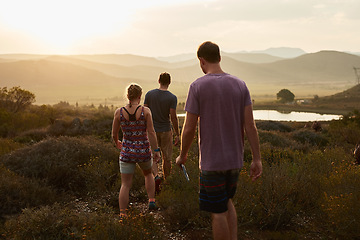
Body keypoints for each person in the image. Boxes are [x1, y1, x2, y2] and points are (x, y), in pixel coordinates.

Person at [176, 41, 262, 240]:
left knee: (218, 212)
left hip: (212, 162)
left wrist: (182, 155)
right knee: (227, 202)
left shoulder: (197, 86)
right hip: (234, 161)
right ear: (220, 58)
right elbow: (251, 126)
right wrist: (256, 159)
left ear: (201, 61)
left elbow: (188, 128)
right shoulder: (240, 85)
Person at [112, 84, 161, 218]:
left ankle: (122, 213)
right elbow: (151, 132)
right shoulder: (146, 111)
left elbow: (114, 134)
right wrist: (156, 150)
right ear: (140, 97)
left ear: (127, 96)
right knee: (148, 175)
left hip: (127, 151)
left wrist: (117, 143)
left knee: (125, 184)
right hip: (143, 151)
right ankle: (151, 201)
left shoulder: (119, 112)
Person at [144, 72, 180, 184]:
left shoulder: (149, 94)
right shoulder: (172, 97)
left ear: (159, 81)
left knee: (152, 156)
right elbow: (173, 117)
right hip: (165, 130)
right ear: (169, 82)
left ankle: (155, 178)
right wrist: (177, 134)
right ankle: (167, 181)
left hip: (151, 131)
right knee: (167, 158)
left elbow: (144, 113)